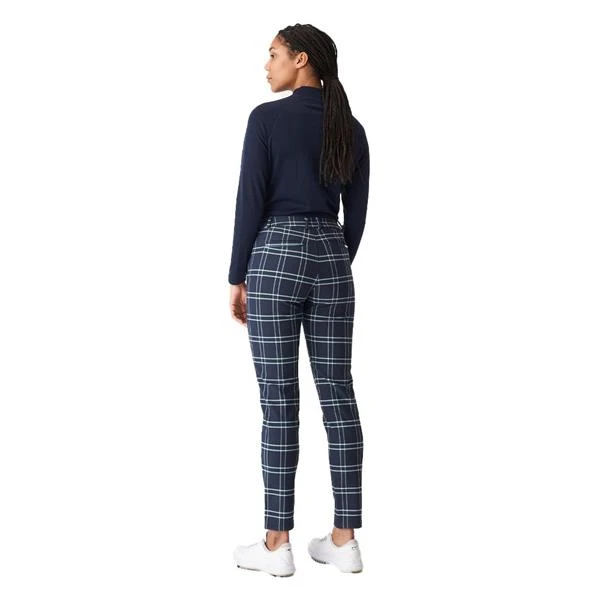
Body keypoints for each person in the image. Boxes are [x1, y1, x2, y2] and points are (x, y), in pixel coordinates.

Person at [228, 23, 370, 576]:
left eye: (274, 54)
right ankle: (344, 539)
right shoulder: (350, 127)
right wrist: (332, 258)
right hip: (333, 257)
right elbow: (356, 216)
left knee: (279, 401)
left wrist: (238, 275)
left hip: (274, 256)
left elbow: (250, 199)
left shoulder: (266, 119)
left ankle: (276, 544)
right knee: (339, 394)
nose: (267, 65)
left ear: (301, 59)